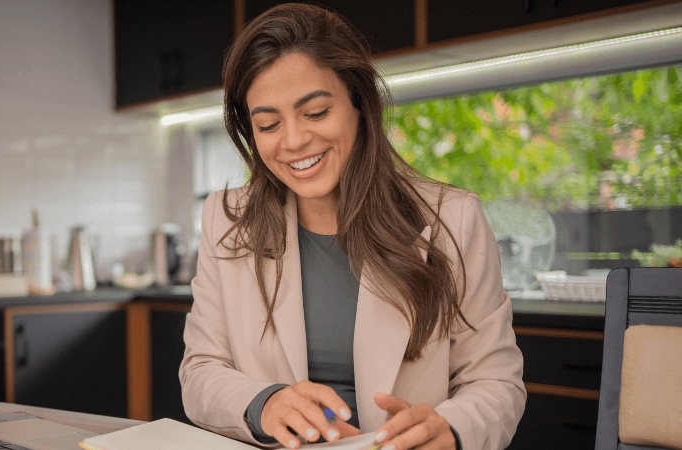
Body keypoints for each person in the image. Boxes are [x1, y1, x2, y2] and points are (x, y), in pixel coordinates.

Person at [178, 4, 526, 450]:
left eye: (317, 112)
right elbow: (200, 370)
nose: (294, 141)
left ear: (360, 104)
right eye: (268, 124)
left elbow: (497, 383)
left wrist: (452, 429)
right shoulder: (226, 220)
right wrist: (263, 404)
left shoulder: (452, 219)